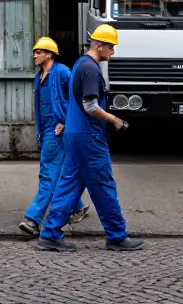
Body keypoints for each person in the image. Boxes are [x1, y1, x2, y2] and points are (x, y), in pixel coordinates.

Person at [36, 25, 143, 252]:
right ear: (99, 45)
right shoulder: (91, 69)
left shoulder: (78, 64)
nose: (113, 51)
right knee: (103, 185)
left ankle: (50, 234)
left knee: (69, 185)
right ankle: (116, 236)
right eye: (111, 46)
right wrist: (114, 120)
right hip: (89, 137)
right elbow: (91, 106)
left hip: (74, 136)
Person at [18, 36, 90, 237]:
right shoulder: (39, 77)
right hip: (47, 132)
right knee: (60, 172)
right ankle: (77, 207)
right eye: (35, 52)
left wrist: (67, 122)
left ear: (49, 54)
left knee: (48, 174)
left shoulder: (62, 72)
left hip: (58, 132)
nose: (35, 55)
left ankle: (33, 219)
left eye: (38, 52)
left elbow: (79, 97)